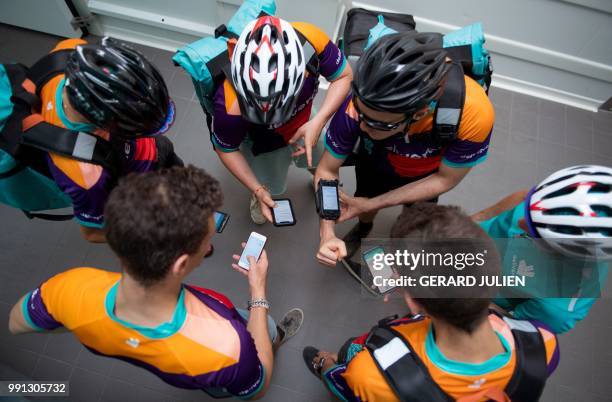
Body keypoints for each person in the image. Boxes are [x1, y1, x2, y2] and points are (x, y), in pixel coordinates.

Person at [8, 166, 303, 399]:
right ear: (181, 264)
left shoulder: (70, 287)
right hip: (226, 369)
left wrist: (76, 318)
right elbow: (258, 386)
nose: (209, 247)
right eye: (207, 243)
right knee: (262, 329)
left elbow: (17, 321)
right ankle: (274, 335)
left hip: (195, 372)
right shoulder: (227, 347)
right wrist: (258, 291)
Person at [304, 203, 559, 401]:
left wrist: (328, 365)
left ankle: (323, 364)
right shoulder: (544, 342)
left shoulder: (369, 372)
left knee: (341, 364)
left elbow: (353, 389)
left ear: (413, 303)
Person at [315, 32, 494, 283]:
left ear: (419, 113)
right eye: (361, 113)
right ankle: (363, 227)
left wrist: (373, 203)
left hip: (427, 175)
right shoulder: (357, 107)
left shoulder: (474, 114)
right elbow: (327, 171)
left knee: (413, 221)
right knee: (363, 198)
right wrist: (327, 232)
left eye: (376, 123)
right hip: (376, 160)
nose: (362, 127)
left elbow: (445, 180)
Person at [2, 37, 181, 243]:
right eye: (136, 130)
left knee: (168, 157)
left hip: (145, 154)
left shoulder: (70, 50)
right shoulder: (85, 176)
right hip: (130, 181)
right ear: (105, 125)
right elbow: (93, 233)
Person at [212, 15, 352, 224]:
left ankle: (317, 180)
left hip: (308, 124)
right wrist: (257, 189)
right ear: (233, 54)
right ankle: (259, 198)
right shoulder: (229, 106)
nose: (269, 112)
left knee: (321, 165)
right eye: (256, 103)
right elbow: (226, 148)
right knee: (270, 186)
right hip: (263, 146)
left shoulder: (312, 40)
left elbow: (344, 76)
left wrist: (319, 121)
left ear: (301, 71)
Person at [472, 164, 611, 333]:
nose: (521, 221)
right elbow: (523, 197)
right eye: (530, 207)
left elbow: (504, 323)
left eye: (534, 231)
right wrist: (469, 221)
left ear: (560, 253)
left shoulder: (558, 309)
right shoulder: (557, 199)